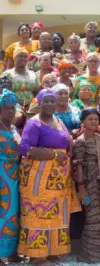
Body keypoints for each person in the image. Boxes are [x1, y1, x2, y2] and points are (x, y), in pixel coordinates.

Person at [18, 89, 80, 265]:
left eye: (53, 101)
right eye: (46, 101)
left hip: (58, 179)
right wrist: (53, 155)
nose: (50, 104)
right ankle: (37, 256)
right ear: (39, 103)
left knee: (56, 213)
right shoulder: (34, 123)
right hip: (38, 177)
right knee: (38, 212)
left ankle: (53, 251)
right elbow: (25, 148)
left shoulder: (58, 121)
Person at [72, 108, 100, 263]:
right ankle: (89, 254)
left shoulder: (99, 138)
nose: (94, 122)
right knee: (93, 218)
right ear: (83, 121)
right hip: (89, 186)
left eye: (96, 119)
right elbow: (77, 166)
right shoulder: (80, 141)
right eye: (90, 119)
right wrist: (82, 189)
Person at [0, 90, 21, 264]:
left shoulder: (13, 128)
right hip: (1, 175)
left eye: (12, 108)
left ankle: (11, 250)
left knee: (13, 213)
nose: (9, 111)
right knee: (3, 212)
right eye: (5, 108)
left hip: (14, 174)